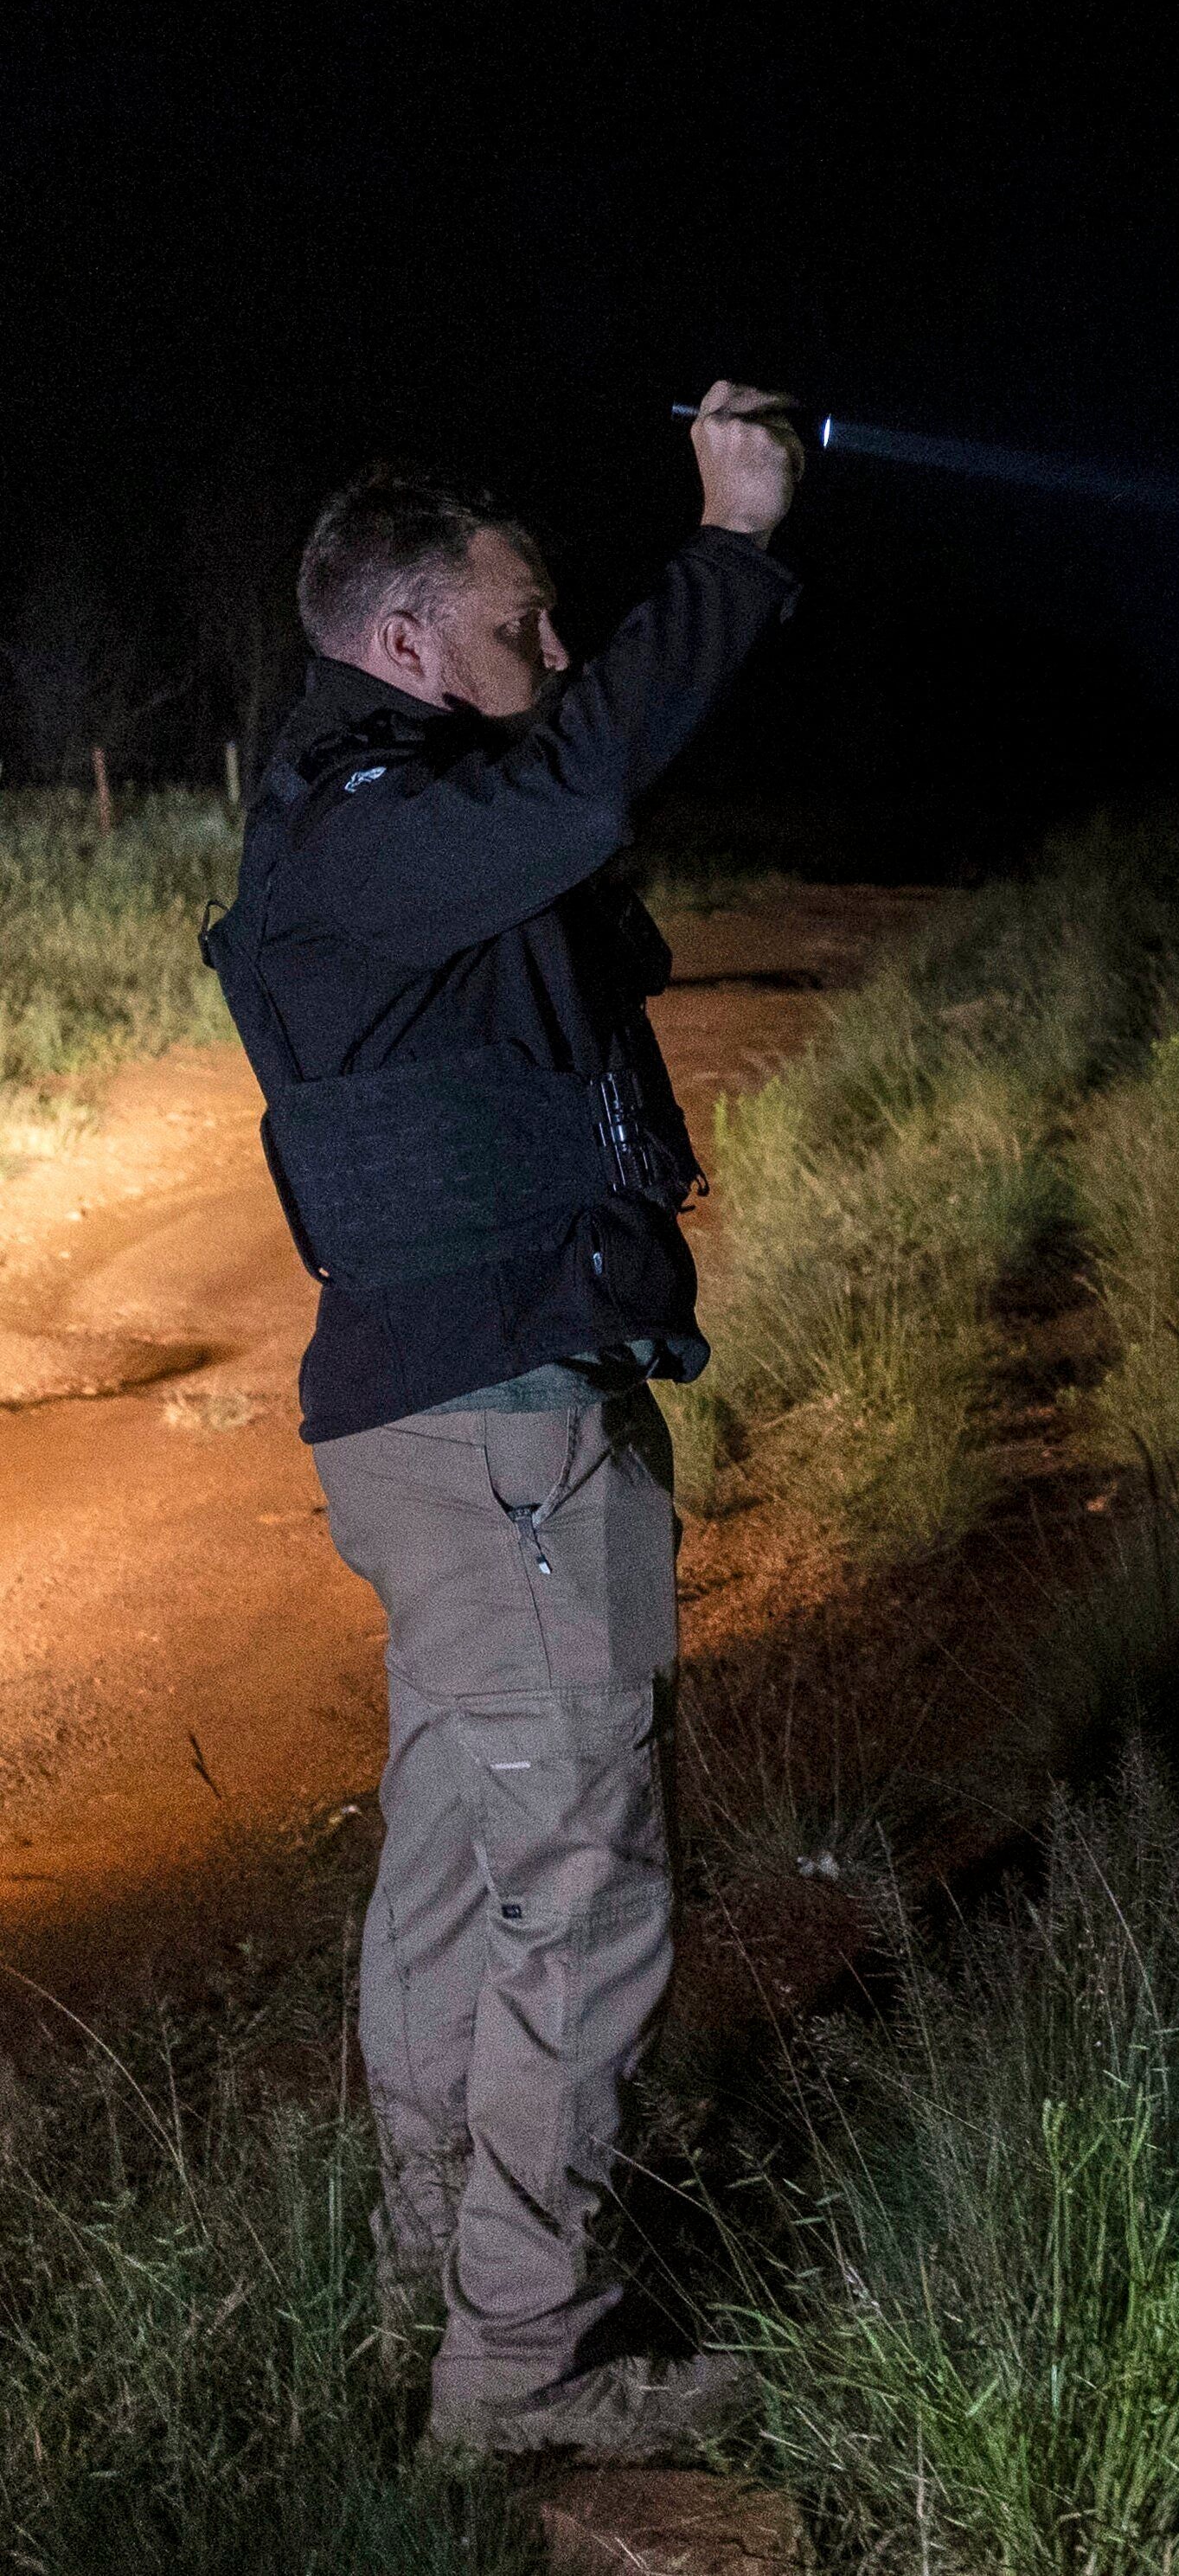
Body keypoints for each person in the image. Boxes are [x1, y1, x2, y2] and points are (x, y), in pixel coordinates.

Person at [202, 386, 808, 2462]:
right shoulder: (371, 833)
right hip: (489, 1424)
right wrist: (724, 549)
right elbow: (574, 788)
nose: (549, 660)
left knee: (467, 1864)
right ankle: (524, 2367)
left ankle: (433, 2278)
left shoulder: (372, 826)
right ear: (402, 642)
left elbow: (567, 829)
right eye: (522, 625)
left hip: (462, 1416)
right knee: (585, 1876)